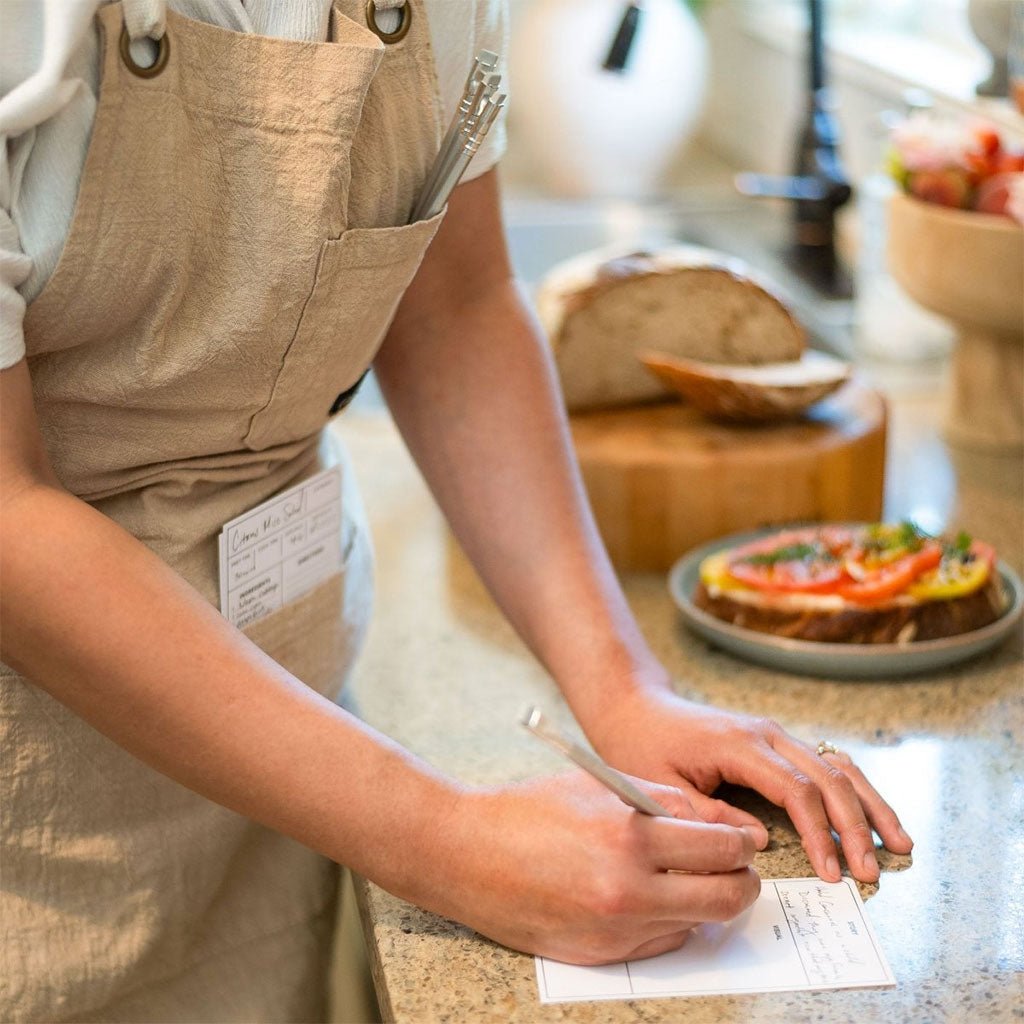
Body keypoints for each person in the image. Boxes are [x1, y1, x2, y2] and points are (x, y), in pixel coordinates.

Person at [0, 1, 913, 1020]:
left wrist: (621, 689)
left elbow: (458, 306)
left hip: (300, 759)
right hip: (37, 816)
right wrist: (441, 837)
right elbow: (8, 512)